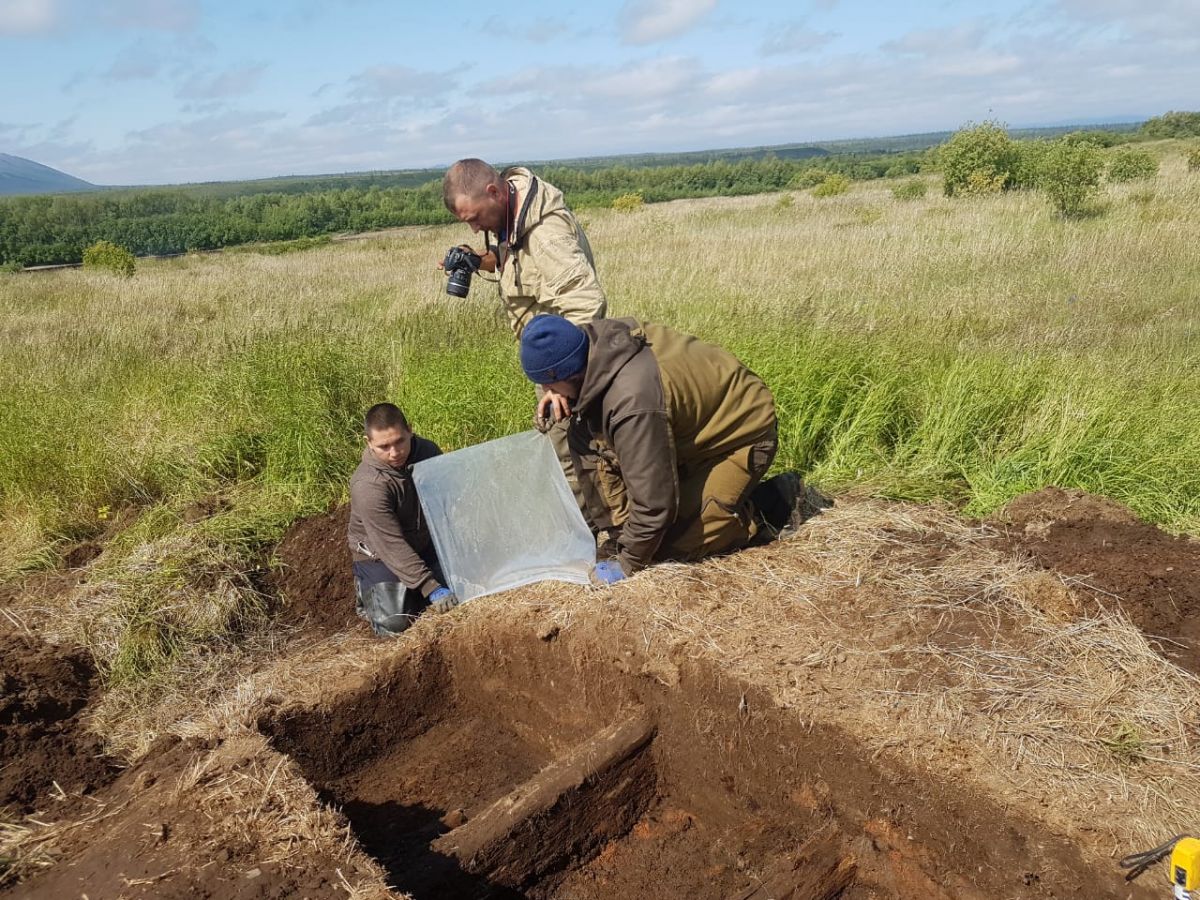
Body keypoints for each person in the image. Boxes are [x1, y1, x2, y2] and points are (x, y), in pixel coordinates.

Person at [518, 314, 795, 583]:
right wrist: (620, 538)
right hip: (689, 427)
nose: (544, 389)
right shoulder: (590, 344)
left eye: (546, 383)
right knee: (582, 435)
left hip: (740, 434)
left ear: (568, 372)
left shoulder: (633, 403)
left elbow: (655, 505)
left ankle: (768, 505)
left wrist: (628, 562)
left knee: (667, 544)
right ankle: (623, 534)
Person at [442, 158, 608, 515]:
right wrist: (476, 260)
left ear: (493, 191)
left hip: (566, 366)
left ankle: (596, 534)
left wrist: (561, 381)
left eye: (473, 218)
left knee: (573, 453)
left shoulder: (546, 234)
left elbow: (587, 302)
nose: (473, 228)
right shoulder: (513, 215)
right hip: (551, 362)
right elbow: (514, 261)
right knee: (562, 447)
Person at [347, 402, 459, 636]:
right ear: (369, 443)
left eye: (399, 441)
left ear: (410, 430)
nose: (395, 452)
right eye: (384, 446)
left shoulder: (427, 452)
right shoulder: (369, 485)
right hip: (379, 555)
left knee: (464, 586)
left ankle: (416, 584)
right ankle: (367, 592)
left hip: (423, 539)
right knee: (396, 623)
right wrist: (430, 587)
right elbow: (391, 544)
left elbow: (445, 500)